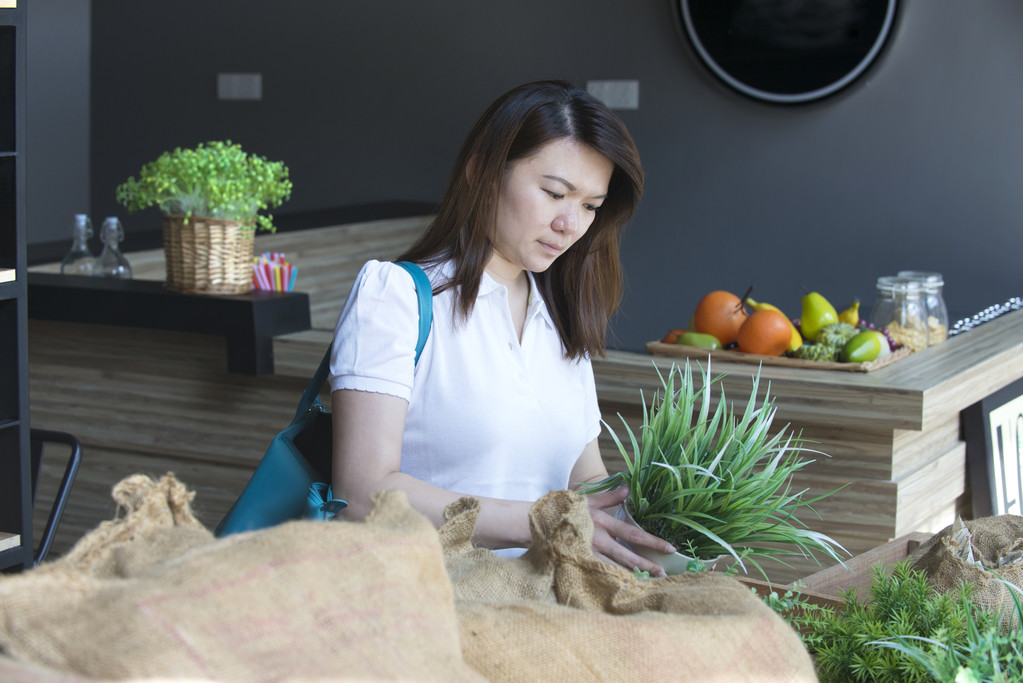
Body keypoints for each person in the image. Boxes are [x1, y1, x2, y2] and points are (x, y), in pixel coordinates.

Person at [329, 79, 675, 575]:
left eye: (590, 207)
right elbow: (362, 494)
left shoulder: (561, 320)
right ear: (482, 171)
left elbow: (584, 483)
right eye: (555, 193)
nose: (570, 224)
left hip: (541, 602)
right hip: (422, 597)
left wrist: (672, 526)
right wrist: (538, 522)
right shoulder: (396, 297)